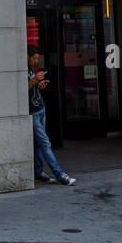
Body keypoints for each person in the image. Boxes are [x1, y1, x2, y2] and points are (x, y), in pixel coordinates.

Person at [27, 45, 76, 186]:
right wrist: (34, 80)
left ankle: (38, 172)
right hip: (33, 112)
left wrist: (39, 84)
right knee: (45, 143)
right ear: (27, 57)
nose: (36, 61)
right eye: (34, 58)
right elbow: (20, 89)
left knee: (38, 144)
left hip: (40, 108)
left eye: (37, 58)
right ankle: (59, 174)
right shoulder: (21, 68)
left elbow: (31, 87)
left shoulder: (30, 68)